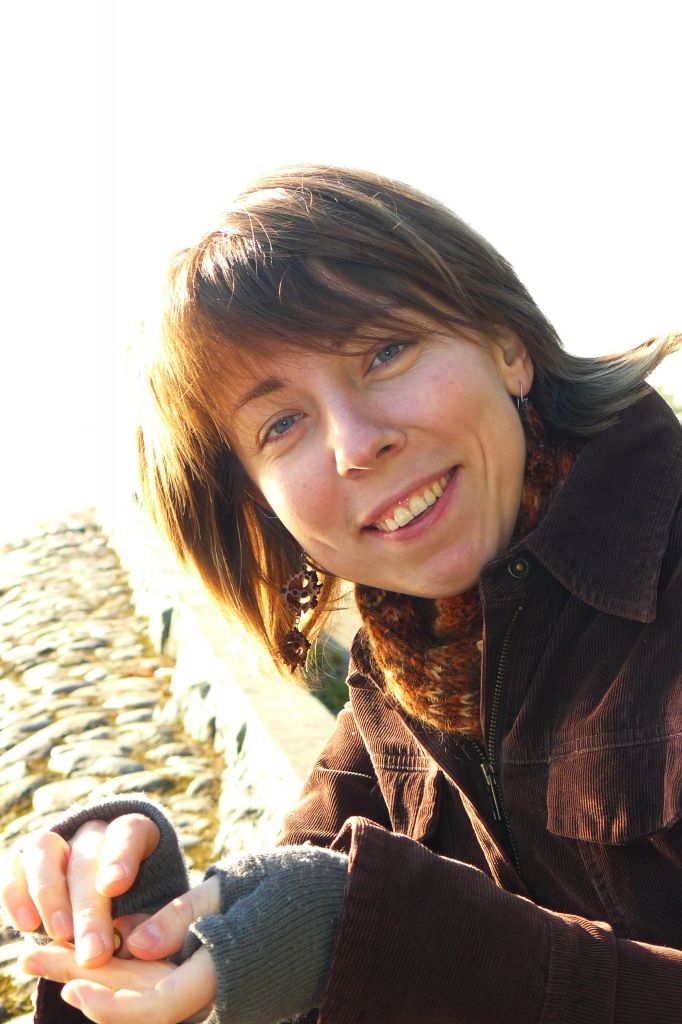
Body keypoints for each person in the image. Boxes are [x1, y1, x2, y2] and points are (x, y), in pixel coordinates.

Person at [3, 164, 682, 1024]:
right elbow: (305, 900)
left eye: (385, 352)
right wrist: (150, 921)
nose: (357, 444)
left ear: (508, 346)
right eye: (282, 424)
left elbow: (361, 924)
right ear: (263, 506)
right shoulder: (397, 675)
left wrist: (398, 943)